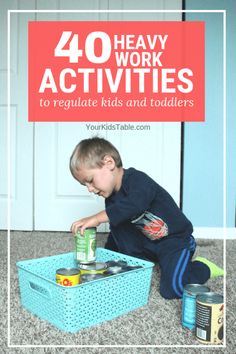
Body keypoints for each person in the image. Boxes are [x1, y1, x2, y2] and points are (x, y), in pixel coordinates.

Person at [70, 137, 224, 299]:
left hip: (173, 241)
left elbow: (133, 205)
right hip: (146, 244)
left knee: (173, 289)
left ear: (109, 163)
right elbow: (118, 232)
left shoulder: (138, 180)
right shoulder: (111, 199)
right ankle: (146, 261)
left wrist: (96, 218)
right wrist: (107, 261)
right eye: (85, 185)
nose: (89, 189)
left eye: (90, 181)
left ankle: (203, 266)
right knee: (125, 269)